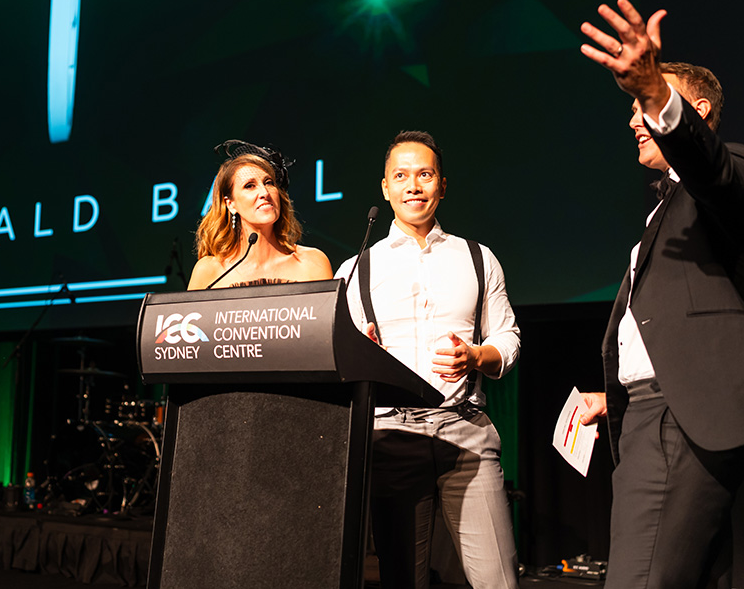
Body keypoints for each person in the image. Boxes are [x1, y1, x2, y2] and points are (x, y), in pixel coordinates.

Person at [577, 0, 744, 588]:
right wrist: (617, 393)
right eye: (636, 107)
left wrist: (655, 91)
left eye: (644, 107)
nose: (635, 119)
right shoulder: (663, 208)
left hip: (678, 416)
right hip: (659, 410)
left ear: (696, 109)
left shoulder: (734, 171)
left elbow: (715, 171)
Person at [336, 131, 521, 589]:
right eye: (401, 176)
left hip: (466, 431)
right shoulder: (354, 270)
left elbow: (507, 337)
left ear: (442, 185)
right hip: (390, 436)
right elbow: (338, 362)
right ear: (385, 188)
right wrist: (361, 352)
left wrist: (476, 355)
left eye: (424, 175)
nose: (413, 186)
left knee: (499, 581)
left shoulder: (478, 258)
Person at [188, 139, 333, 290]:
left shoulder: (312, 263)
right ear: (230, 204)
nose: (264, 193)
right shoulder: (209, 271)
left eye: (269, 182)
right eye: (249, 186)